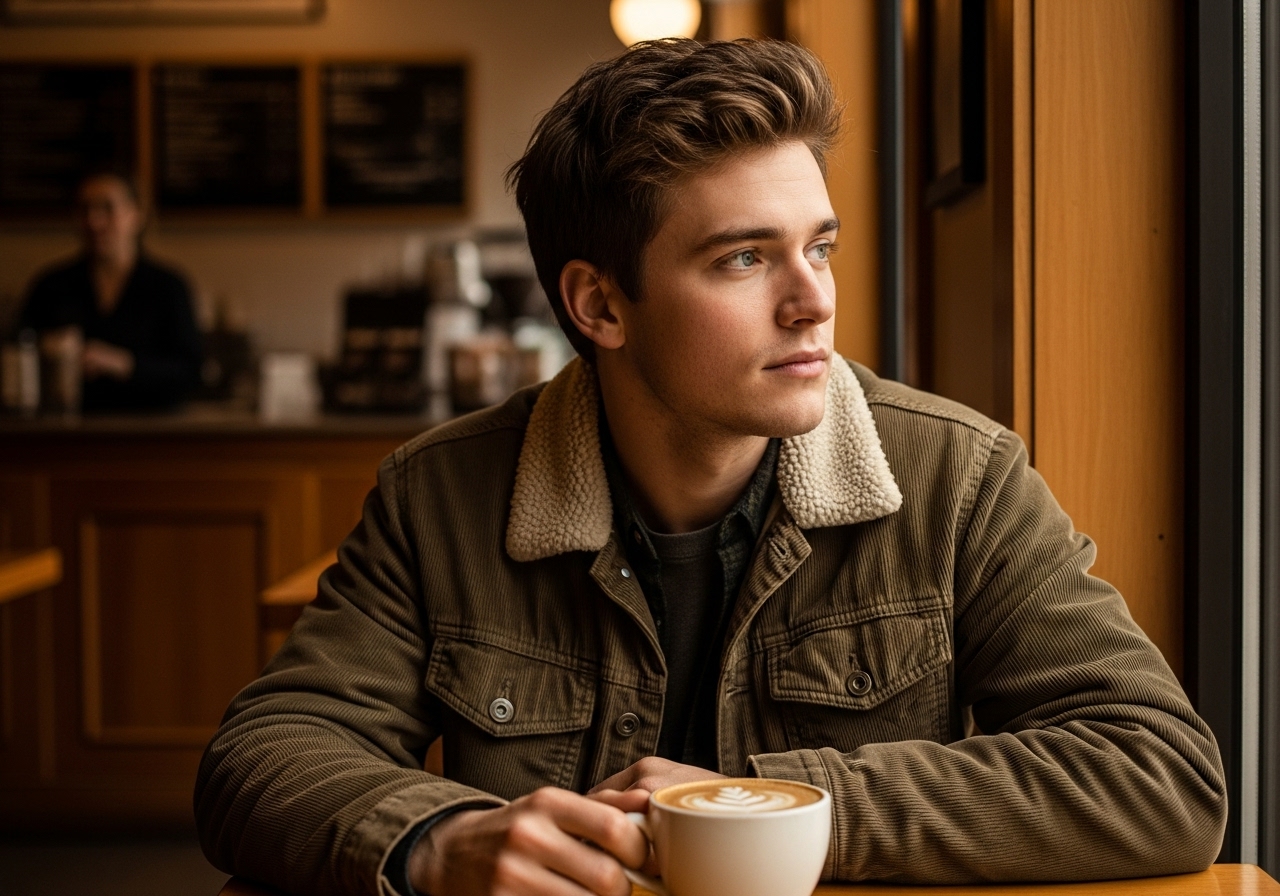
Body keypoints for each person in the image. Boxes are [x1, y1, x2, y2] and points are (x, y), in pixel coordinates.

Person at [195, 39, 1226, 896]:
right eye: (743, 257)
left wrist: (763, 806)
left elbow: (1159, 774)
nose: (811, 299)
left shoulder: (958, 477)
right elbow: (262, 754)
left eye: (816, 246)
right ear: (599, 304)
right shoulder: (441, 495)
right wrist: (437, 839)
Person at [19, 170, 202, 411]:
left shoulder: (168, 287)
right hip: (66, 434)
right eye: (85, 209)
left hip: (149, 434)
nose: (94, 221)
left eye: (107, 208)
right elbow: (18, 355)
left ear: (136, 214)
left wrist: (123, 364)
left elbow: (190, 373)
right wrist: (50, 354)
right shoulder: (51, 285)